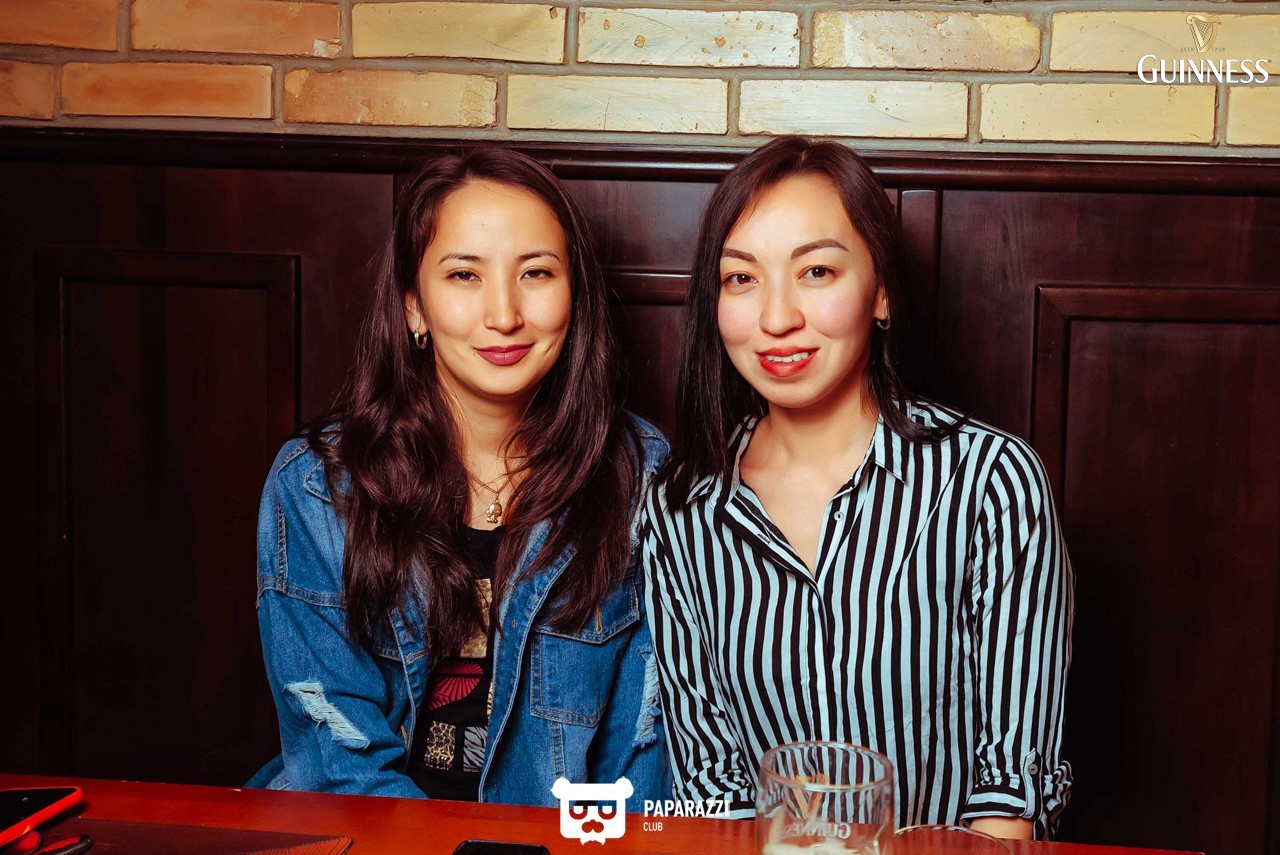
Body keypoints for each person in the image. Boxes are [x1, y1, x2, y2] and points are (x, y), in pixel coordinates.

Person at [641, 136, 1073, 839]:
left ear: (881, 293)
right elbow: (713, 786)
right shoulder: (679, 508)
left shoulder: (991, 483)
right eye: (742, 278)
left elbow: (1009, 800)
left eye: (816, 270)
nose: (777, 318)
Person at [249, 147, 671, 804]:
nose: (503, 314)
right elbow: (336, 761)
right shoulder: (318, 485)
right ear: (414, 308)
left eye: (536, 272)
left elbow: (640, 754)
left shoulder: (639, 474)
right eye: (464, 275)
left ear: (574, 297)